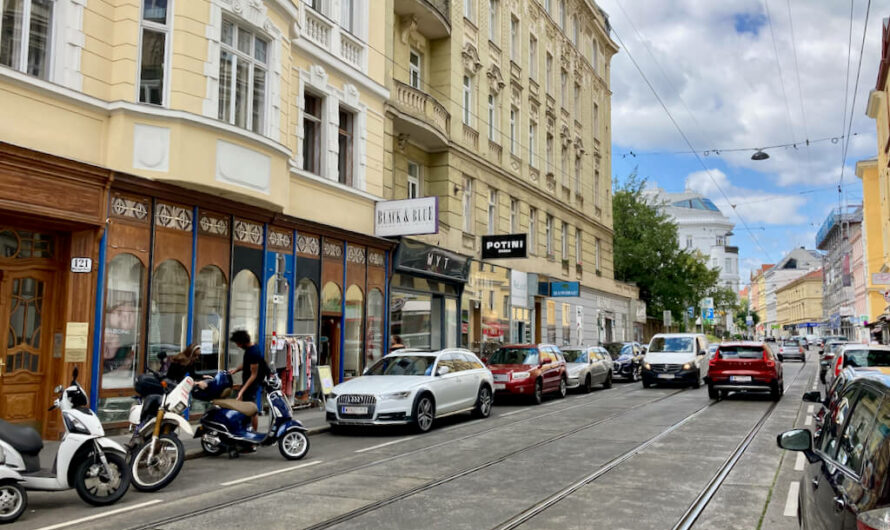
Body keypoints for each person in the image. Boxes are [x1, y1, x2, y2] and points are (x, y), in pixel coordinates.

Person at [228, 330, 268, 431]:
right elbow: (247, 364)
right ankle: (245, 430)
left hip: (252, 384)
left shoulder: (253, 352)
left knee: (252, 410)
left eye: (238, 343)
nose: (237, 346)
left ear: (242, 342)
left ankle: (254, 434)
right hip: (248, 383)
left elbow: (253, 375)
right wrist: (236, 370)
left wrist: (242, 390)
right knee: (245, 408)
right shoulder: (251, 347)